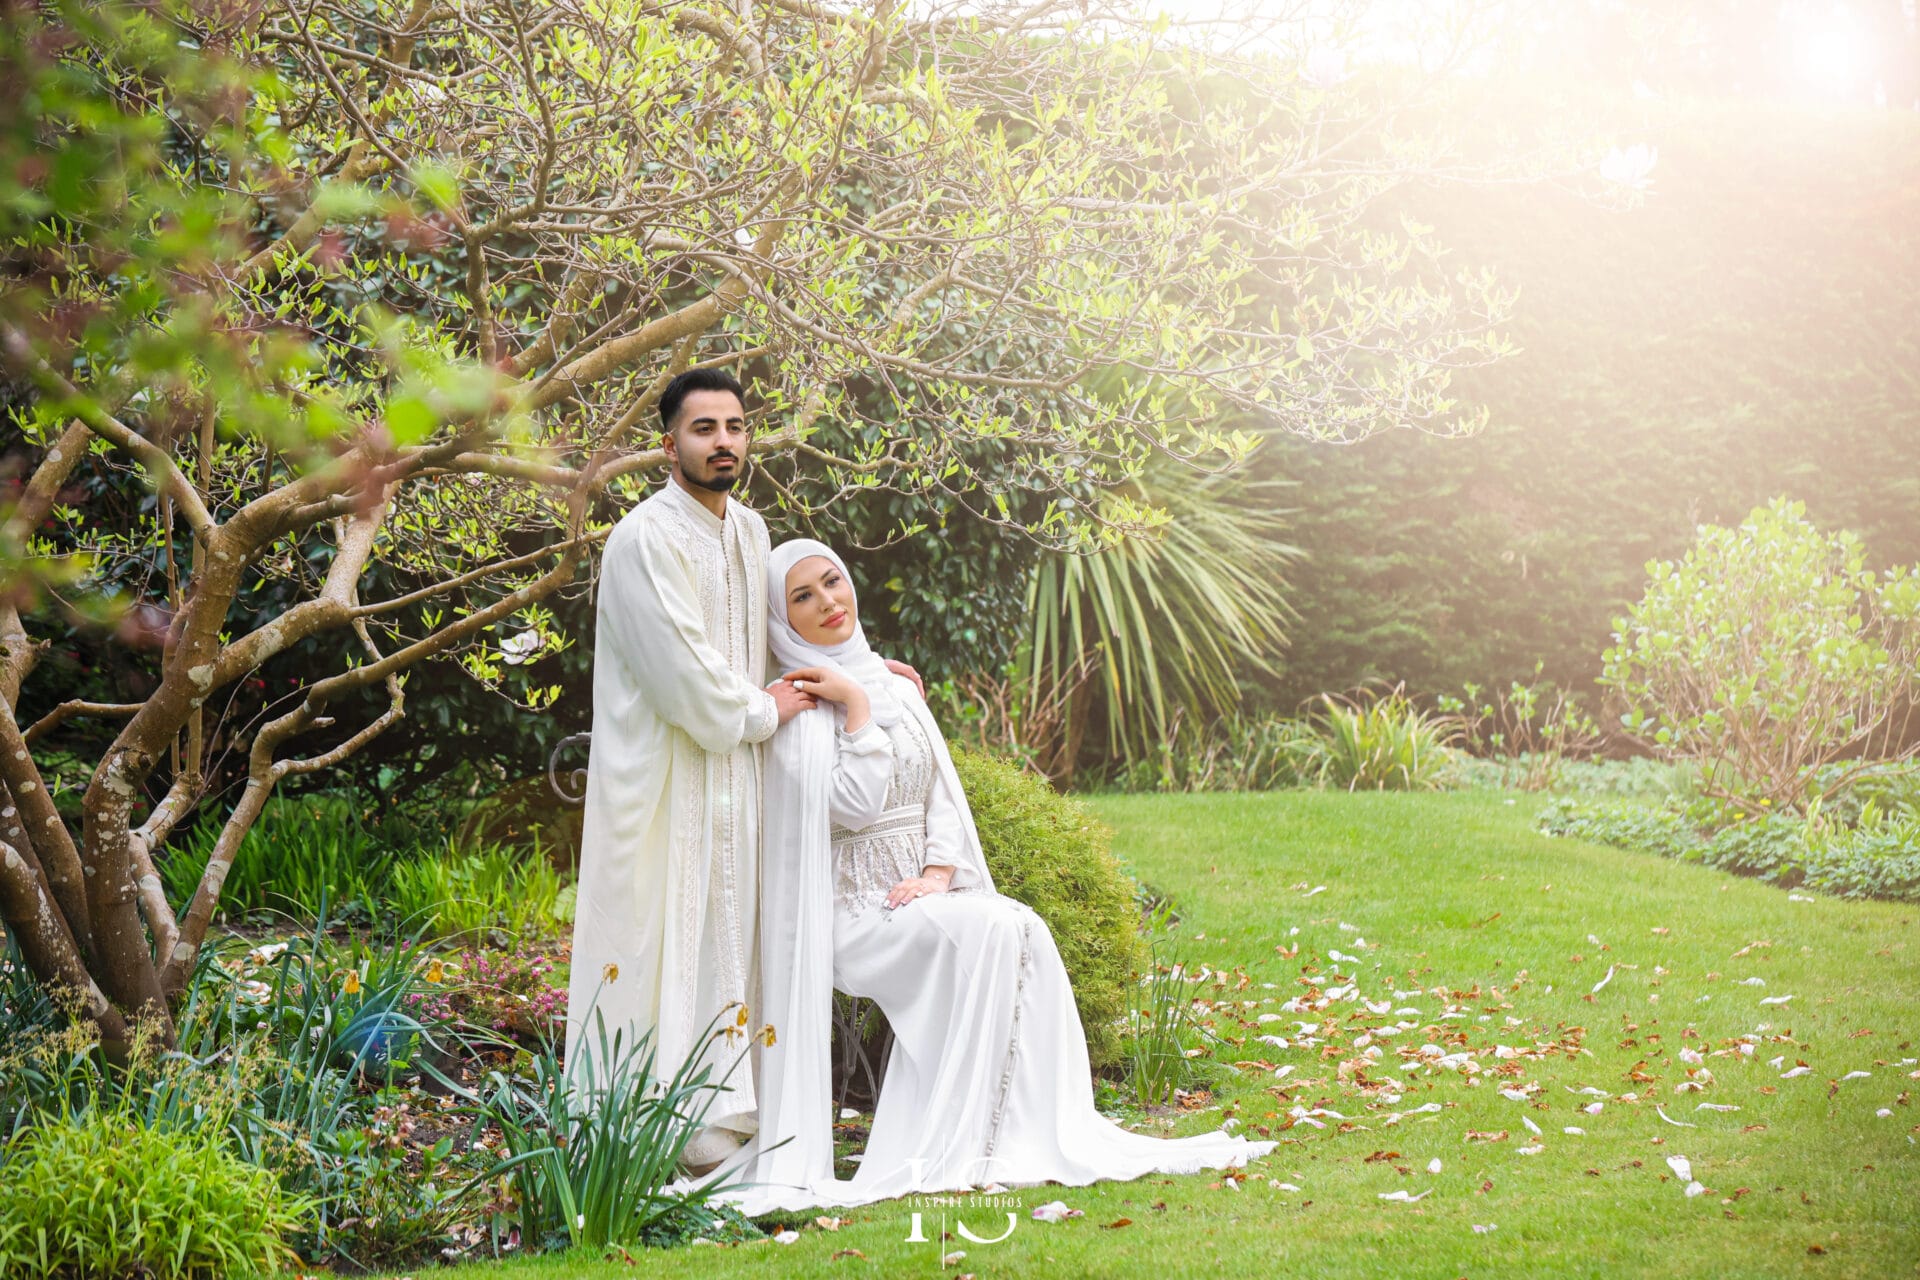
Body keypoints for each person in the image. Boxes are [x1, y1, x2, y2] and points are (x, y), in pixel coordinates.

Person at [720, 539, 1274, 1213]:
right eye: (801, 597)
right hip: (851, 915)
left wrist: (938, 870)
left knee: (1018, 926)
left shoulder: (894, 684)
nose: (827, 602)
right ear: (783, 620)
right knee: (995, 929)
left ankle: (1024, 1131)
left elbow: (941, 796)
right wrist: (854, 708)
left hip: (916, 897)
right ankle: (968, 1140)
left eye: (831, 582)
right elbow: (853, 806)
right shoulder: (798, 709)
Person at [565, 371, 922, 1175]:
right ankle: (642, 1139)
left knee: (730, 941)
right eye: (703, 429)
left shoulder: (751, 532)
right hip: (661, 786)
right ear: (668, 446)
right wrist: (761, 715)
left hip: (738, 786)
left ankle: (725, 1128)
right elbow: (687, 677)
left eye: (734, 426)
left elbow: (774, 641)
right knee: (657, 944)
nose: (723, 441)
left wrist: (861, 670)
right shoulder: (644, 539)